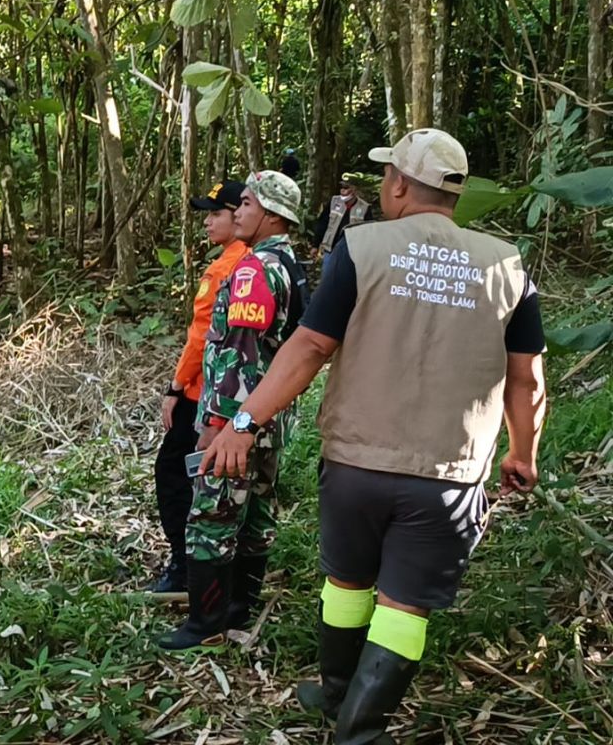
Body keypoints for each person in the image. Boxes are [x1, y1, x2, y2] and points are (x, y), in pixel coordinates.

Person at [202, 129, 547, 743]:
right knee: (405, 604)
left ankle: (337, 698)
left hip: (356, 463)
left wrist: (244, 423)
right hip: (449, 474)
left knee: (347, 581)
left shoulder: (361, 248)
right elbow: (527, 380)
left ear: (396, 186)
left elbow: (309, 347)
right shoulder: (507, 266)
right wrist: (523, 453)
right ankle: (356, 726)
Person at [157, 170, 303, 650]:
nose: (238, 211)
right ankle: (241, 605)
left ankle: (205, 621)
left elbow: (239, 351)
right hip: (268, 416)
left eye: (247, 205)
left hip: (237, 421)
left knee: (211, 516)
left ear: (272, 215)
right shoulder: (289, 265)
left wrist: (217, 426)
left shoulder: (253, 270)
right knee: (257, 509)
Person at [150, 182, 250, 593]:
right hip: (242, 396)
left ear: (239, 216)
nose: (208, 222)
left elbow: (201, 337)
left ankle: (184, 564)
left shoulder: (226, 268)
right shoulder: (257, 262)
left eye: (216, 214)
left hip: (205, 396)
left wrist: (176, 387)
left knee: (175, 473)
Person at [313, 177, 377, 273]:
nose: (342, 190)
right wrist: (315, 245)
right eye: (341, 187)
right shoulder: (334, 202)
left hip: (351, 253)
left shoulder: (364, 208)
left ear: (354, 190)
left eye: (346, 187)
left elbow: (368, 234)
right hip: (330, 249)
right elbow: (323, 223)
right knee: (327, 278)